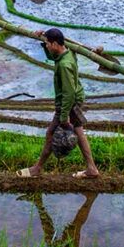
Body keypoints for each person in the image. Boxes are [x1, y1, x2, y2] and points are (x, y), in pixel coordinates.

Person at [17, 27, 100, 179]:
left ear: (55, 44)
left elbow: (68, 93)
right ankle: (92, 168)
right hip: (74, 99)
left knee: (50, 132)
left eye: (48, 43)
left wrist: (63, 116)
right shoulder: (68, 53)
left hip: (69, 102)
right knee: (79, 131)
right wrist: (41, 40)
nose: (47, 46)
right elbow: (53, 56)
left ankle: (37, 168)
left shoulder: (64, 66)